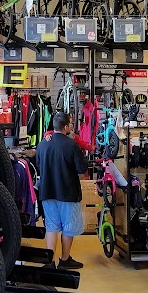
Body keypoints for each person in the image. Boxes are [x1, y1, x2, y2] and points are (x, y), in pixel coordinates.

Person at [36, 111, 88, 269]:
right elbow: (81, 169)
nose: (72, 126)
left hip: (47, 191)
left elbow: (38, 165)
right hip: (67, 192)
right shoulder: (72, 145)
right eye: (70, 124)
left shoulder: (42, 144)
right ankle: (65, 260)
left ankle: (50, 262)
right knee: (68, 228)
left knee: (51, 227)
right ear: (65, 127)